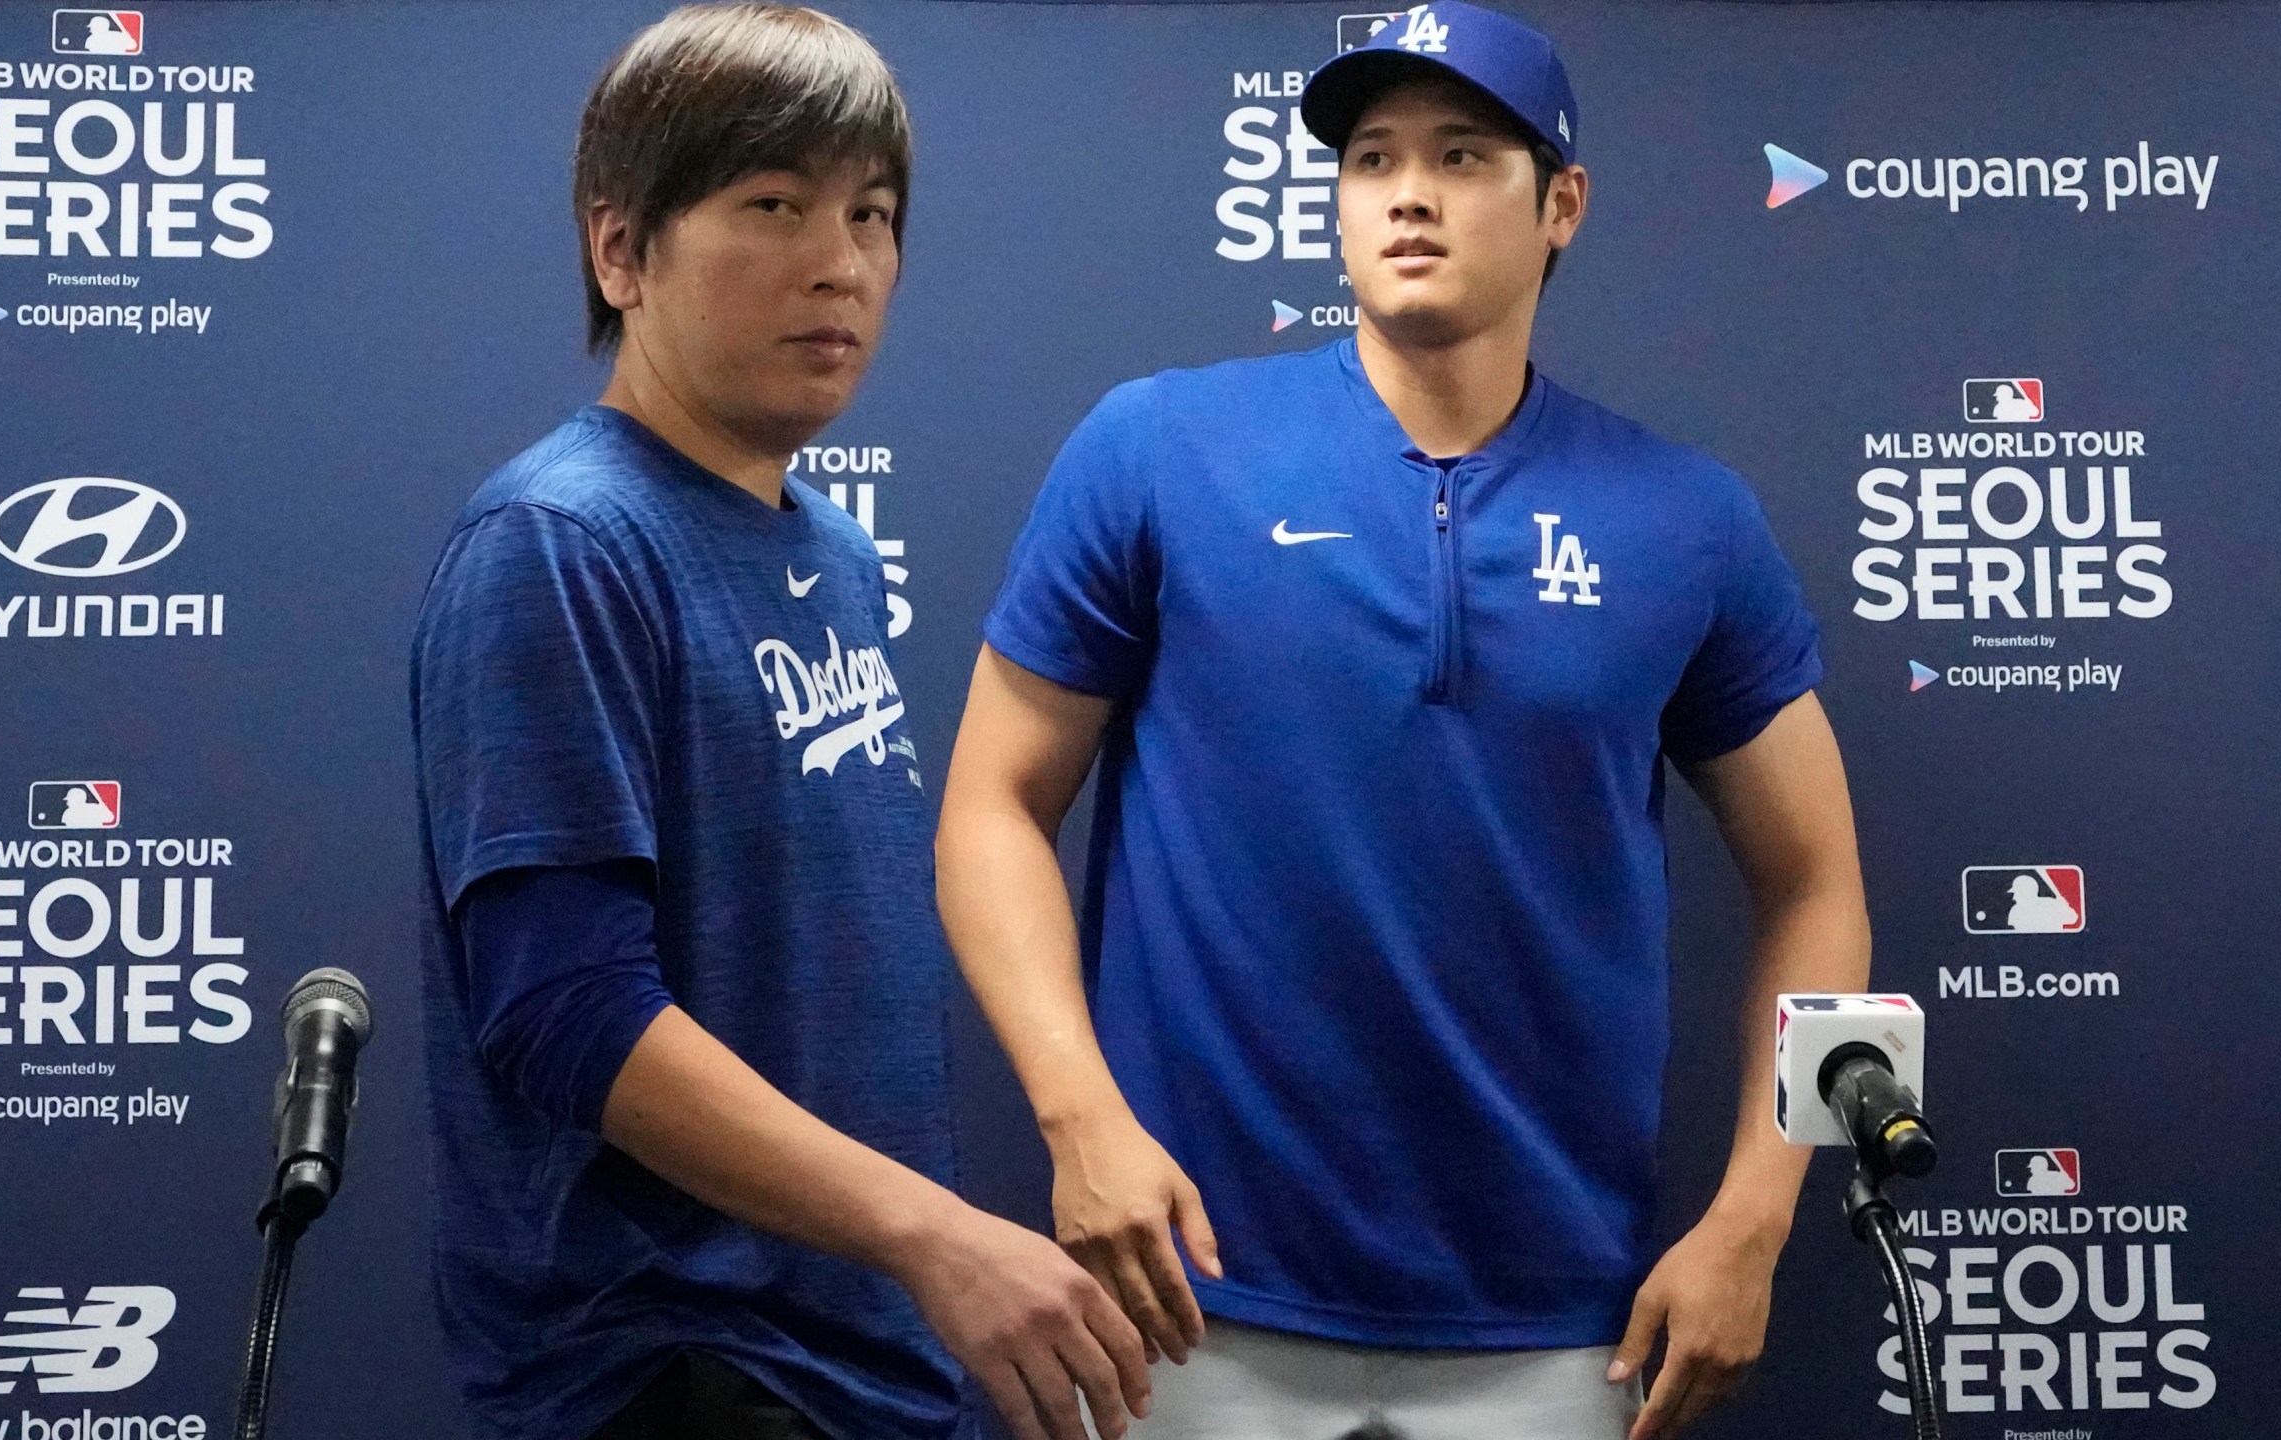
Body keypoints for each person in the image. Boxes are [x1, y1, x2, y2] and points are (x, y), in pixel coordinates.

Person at [934, 5, 1872, 1438]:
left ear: (1562, 203)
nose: (1409, 193)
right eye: (1370, 159)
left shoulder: (1690, 520)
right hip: (1186, 1296)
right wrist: (1080, 1119)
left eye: (1462, 154)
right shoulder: (1158, 449)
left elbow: (1817, 887)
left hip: (1558, 1321)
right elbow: (993, 802)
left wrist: (1755, 1218)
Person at [409, 9, 1146, 1440]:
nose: (843, 264)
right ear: (620, 251)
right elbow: (565, 1011)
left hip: (852, 1355)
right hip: (674, 1368)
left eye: (872, 215)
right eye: (772, 207)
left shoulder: (833, 549)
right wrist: (935, 1234)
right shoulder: (561, 541)